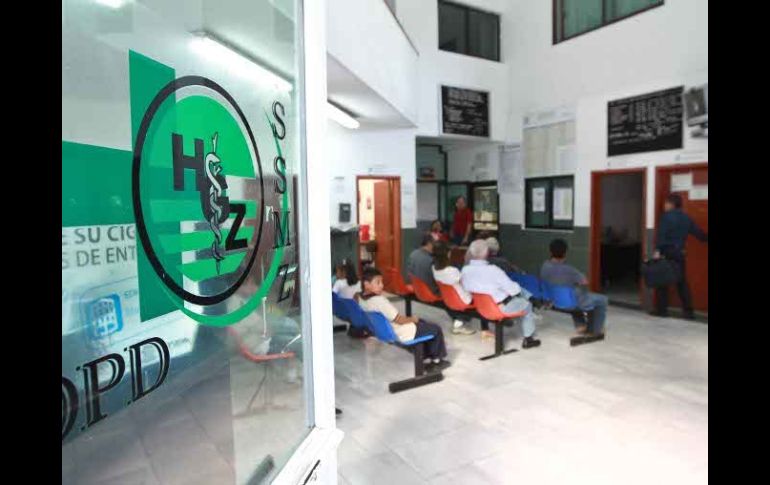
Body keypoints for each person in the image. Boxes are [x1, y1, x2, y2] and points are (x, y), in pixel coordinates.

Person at [358, 268, 450, 369]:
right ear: (366, 284)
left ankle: (425, 353)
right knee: (436, 329)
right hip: (400, 332)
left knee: (423, 323)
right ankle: (437, 361)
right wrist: (413, 319)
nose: (382, 285)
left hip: (386, 332)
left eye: (382, 282)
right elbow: (400, 320)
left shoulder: (361, 299)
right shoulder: (379, 301)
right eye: (378, 282)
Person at [461, 240, 541, 349]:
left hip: (481, 306)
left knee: (515, 292)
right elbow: (514, 290)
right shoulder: (493, 270)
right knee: (527, 305)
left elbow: (468, 288)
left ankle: (532, 298)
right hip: (500, 307)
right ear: (487, 253)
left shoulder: (465, 270)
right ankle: (528, 339)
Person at [652, 193, 708, 320]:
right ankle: (688, 312)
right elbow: (699, 235)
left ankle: (662, 310)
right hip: (679, 253)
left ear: (671, 204)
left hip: (666, 252)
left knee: (662, 281)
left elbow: (661, 235)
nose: (664, 205)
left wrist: (657, 251)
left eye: (666, 203)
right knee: (681, 282)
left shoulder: (666, 217)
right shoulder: (686, 218)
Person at [408, 234, 475, 335]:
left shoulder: (414, 254)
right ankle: (461, 319)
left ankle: (459, 319)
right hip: (433, 290)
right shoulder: (431, 262)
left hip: (420, 288)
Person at [540, 239, 608, 337]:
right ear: (565, 253)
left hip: (553, 301)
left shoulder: (545, 266)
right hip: (570, 303)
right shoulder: (569, 270)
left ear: (550, 252)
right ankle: (596, 330)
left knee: (574, 296)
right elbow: (585, 281)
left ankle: (580, 326)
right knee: (602, 300)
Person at [431, 241, 482, 336]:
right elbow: (465, 282)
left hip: (448, 298)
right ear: (446, 254)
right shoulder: (451, 271)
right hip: (463, 299)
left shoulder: (434, 268)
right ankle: (459, 323)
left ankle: (459, 319)